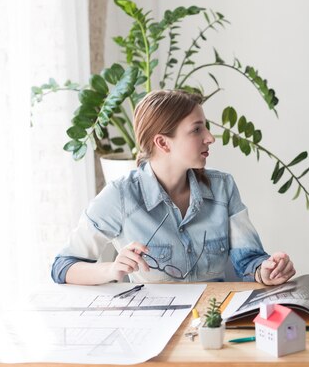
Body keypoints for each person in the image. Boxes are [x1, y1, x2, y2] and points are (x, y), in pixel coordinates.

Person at [52, 90, 295, 286]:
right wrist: (111, 269)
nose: (210, 137)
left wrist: (268, 270)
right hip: (155, 327)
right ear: (162, 142)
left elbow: (249, 261)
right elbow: (62, 266)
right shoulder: (121, 196)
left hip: (215, 323)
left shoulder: (223, 187)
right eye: (197, 129)